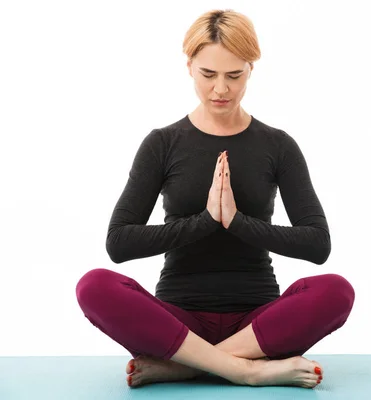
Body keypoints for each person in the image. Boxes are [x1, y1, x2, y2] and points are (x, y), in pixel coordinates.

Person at [75, 9, 355, 389]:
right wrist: (205, 221)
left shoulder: (278, 145)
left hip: (258, 323)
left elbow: (318, 244)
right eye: (208, 74)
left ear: (251, 69)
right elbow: (119, 243)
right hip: (178, 321)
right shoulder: (162, 144)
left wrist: (237, 222)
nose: (220, 89)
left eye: (233, 75)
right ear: (189, 67)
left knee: (336, 290)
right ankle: (245, 369)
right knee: (93, 285)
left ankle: (189, 366)